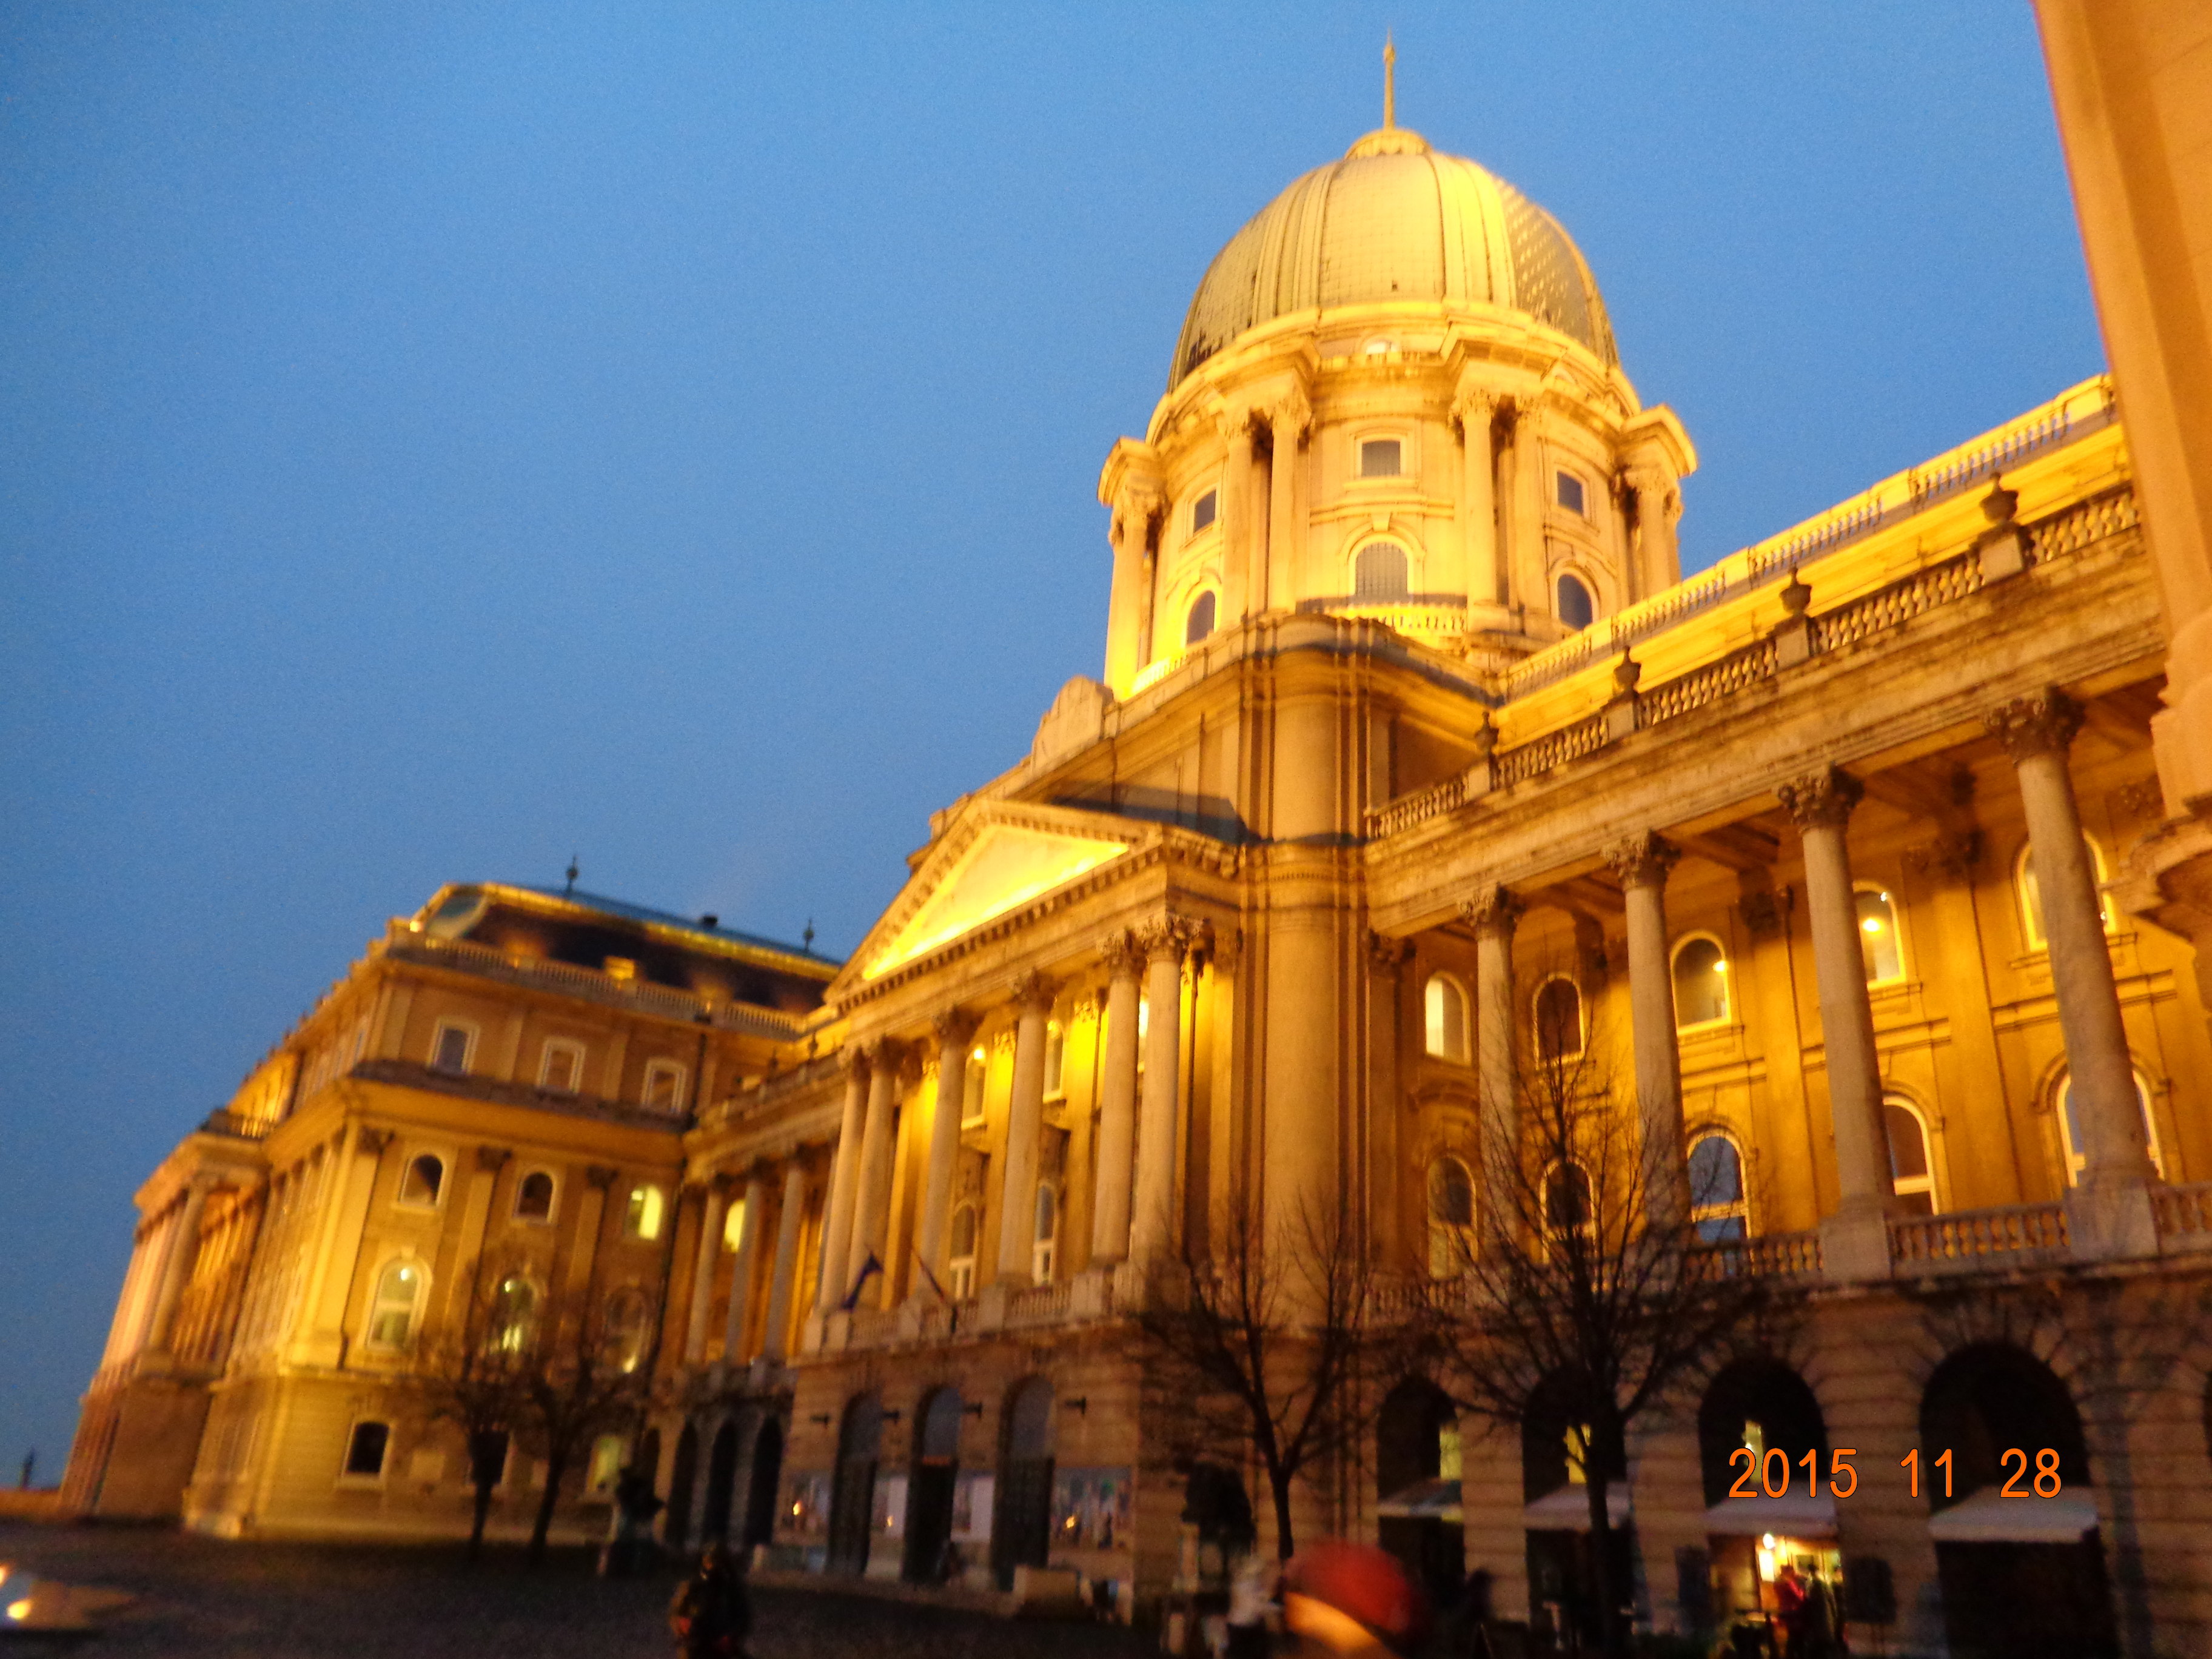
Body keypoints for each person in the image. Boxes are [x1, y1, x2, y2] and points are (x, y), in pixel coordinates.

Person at [669, 1543, 751, 1659]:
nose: (714, 1566)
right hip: (695, 1644)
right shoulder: (692, 1587)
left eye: (719, 1562)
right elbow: (677, 1613)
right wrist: (683, 1628)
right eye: (711, 1561)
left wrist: (730, 1637)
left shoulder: (732, 1589)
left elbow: (743, 1617)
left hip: (720, 1645)